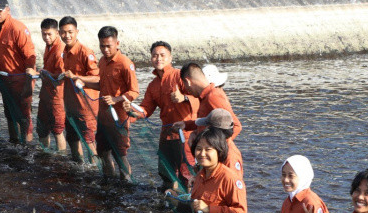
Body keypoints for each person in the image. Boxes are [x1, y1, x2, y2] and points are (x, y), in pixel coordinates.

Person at [124, 41, 198, 191]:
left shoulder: (180, 76)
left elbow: (199, 96)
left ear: (170, 58)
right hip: (166, 136)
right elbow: (145, 109)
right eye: (155, 55)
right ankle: (170, 204)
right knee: (166, 174)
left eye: (162, 55)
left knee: (187, 176)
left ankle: (190, 209)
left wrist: (183, 98)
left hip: (186, 135)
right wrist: (131, 110)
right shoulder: (153, 85)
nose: (158, 58)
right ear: (151, 58)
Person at [75, 26, 139, 180]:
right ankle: (108, 180)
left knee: (120, 155)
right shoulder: (102, 61)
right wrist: (84, 83)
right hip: (103, 117)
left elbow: (134, 92)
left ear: (117, 43)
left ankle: (126, 185)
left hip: (119, 119)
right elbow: (101, 85)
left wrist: (116, 99)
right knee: (103, 151)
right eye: (102, 46)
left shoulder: (125, 63)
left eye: (108, 46)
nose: (105, 50)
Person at [0, 0, 36, 144]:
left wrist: (29, 81)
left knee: (24, 116)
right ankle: (13, 142)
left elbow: (30, 56)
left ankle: (27, 147)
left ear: (8, 10)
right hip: (4, 80)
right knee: (8, 113)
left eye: (0, 10)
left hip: (21, 80)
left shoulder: (18, 28)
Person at [58, 16, 99, 163]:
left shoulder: (85, 52)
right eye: (63, 32)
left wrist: (76, 77)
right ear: (59, 33)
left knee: (89, 141)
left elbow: (97, 78)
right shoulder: (64, 50)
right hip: (71, 106)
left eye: (70, 32)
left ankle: (95, 170)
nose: (67, 36)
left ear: (77, 32)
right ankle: (80, 168)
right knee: (72, 138)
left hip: (85, 107)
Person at [27, 18, 66, 151]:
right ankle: (46, 154)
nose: (46, 37)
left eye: (49, 34)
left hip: (56, 97)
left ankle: (61, 157)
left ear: (57, 33)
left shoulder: (59, 50)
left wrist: (40, 72)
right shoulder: (48, 47)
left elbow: (61, 76)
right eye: (44, 34)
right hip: (45, 95)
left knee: (58, 130)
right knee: (42, 129)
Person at [178, 62, 242, 138]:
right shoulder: (204, 97)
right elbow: (208, 122)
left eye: (185, 85)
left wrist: (215, 146)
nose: (187, 90)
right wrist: (186, 125)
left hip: (221, 149)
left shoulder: (213, 96)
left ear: (188, 82)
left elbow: (236, 126)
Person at [193, 109, 244, 176]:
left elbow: (232, 181)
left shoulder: (231, 156)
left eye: (207, 127)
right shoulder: (217, 146)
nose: (205, 130)